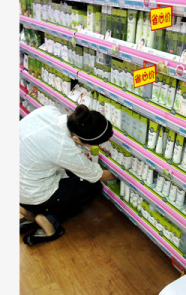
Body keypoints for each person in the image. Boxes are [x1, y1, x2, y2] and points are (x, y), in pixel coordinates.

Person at [19, 104, 116, 245]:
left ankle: (28, 211)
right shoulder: (64, 147)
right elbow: (98, 175)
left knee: (73, 175)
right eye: (89, 144)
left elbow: (45, 150)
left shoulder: (48, 111)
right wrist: (122, 176)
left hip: (22, 183)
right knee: (93, 186)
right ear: (76, 139)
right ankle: (49, 221)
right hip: (34, 193)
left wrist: (79, 158)